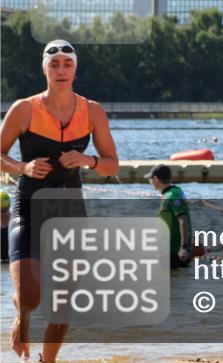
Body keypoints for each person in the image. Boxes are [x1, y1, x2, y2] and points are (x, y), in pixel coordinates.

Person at [0, 40, 120, 363]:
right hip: (29, 205)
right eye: (54, 65)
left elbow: (112, 164)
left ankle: (47, 361)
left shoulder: (92, 111)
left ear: (75, 69)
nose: (61, 70)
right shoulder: (23, 109)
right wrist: (22, 167)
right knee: (29, 296)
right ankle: (22, 317)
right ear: (45, 70)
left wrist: (87, 160)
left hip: (69, 210)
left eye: (67, 64)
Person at [145, 164, 193, 269]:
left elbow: (183, 219)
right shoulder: (176, 191)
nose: (150, 182)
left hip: (173, 252)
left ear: (156, 179)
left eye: (150, 179)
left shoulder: (171, 196)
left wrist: (183, 247)